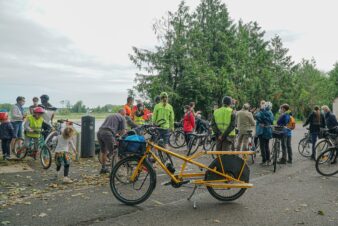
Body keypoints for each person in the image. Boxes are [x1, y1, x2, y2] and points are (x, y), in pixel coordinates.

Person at [97, 109, 127, 174]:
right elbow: (123, 131)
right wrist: (120, 137)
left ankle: (103, 168)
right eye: (125, 114)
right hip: (108, 134)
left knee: (103, 151)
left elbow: (110, 127)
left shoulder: (111, 115)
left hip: (100, 132)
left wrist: (115, 134)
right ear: (123, 114)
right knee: (115, 152)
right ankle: (115, 172)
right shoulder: (122, 118)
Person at [255, 101, 274, 166]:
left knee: (262, 146)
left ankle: (264, 160)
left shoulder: (261, 112)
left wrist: (261, 122)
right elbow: (271, 121)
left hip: (261, 131)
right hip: (268, 130)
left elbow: (256, 116)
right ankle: (268, 160)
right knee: (266, 145)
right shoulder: (271, 113)